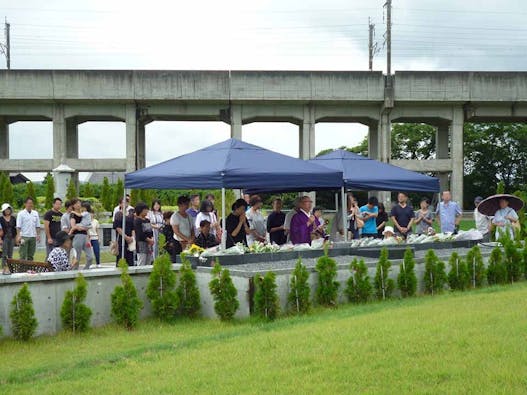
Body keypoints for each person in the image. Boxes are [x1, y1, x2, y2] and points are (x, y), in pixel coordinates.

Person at [69, 199, 94, 270]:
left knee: (90, 257)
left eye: (79, 203)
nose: (78, 205)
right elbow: (73, 226)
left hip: (85, 236)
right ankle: (74, 272)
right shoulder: (73, 214)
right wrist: (82, 228)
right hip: (77, 236)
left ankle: (86, 270)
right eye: (76, 203)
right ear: (73, 205)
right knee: (77, 256)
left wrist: (88, 236)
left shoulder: (84, 214)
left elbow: (88, 226)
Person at [16, 197, 41, 261]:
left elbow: (37, 225)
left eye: (32, 203)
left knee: (31, 255)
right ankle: (21, 270)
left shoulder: (35, 213)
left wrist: (38, 235)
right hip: (24, 236)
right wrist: (18, 236)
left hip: (33, 236)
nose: (30, 205)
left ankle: (29, 269)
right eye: (29, 203)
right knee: (22, 254)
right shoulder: (21, 214)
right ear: (25, 204)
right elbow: (18, 226)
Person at [134, 202, 154, 266]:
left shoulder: (147, 220)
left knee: (149, 261)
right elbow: (140, 233)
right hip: (141, 244)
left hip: (149, 244)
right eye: (145, 209)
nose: (147, 211)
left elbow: (151, 231)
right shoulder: (137, 221)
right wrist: (148, 240)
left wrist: (152, 239)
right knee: (142, 261)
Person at [0, 203, 17, 275]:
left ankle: (10, 269)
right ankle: (3, 269)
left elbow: (15, 229)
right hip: (4, 238)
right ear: (3, 210)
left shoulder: (13, 218)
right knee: (4, 254)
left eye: (9, 209)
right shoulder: (0, 219)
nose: (8, 211)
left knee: (10, 254)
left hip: (12, 238)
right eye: (6, 209)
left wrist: (16, 238)